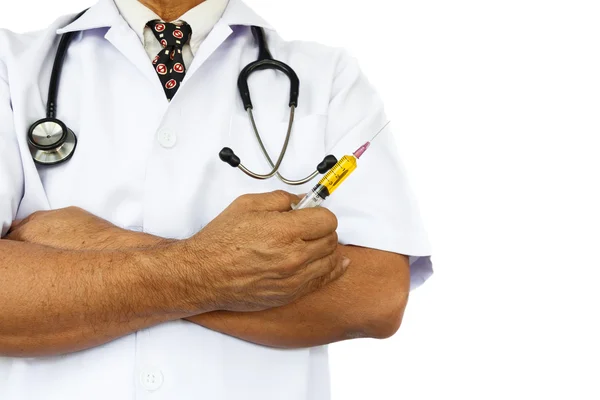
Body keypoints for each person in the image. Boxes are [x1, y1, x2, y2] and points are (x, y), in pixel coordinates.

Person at [0, 0, 433, 398]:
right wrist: (226, 271)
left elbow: (374, 298)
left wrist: (93, 247)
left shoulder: (329, 75)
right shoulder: (10, 64)